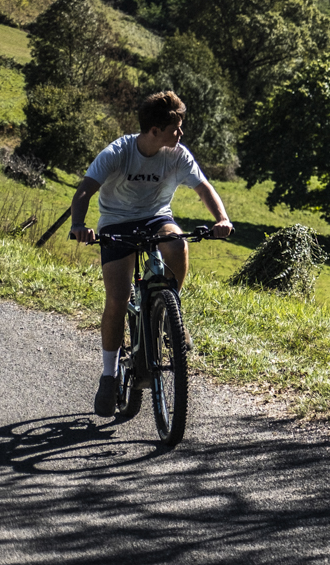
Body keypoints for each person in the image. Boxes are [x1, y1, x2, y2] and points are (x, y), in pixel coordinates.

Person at [68, 91, 233, 416]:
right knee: (117, 299)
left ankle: (171, 311)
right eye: (175, 128)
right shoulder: (119, 151)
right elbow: (85, 189)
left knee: (177, 244)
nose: (181, 134)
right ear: (154, 130)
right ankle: (109, 375)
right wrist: (78, 225)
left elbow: (204, 188)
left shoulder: (177, 154)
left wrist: (222, 219)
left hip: (157, 218)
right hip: (117, 221)